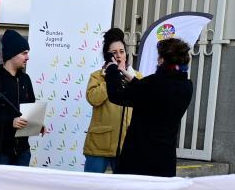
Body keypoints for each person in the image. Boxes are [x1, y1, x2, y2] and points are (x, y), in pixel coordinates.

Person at [104, 36, 194, 177]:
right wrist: (133, 80)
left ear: (162, 60)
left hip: (139, 159)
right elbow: (153, 97)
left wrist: (112, 71)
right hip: (165, 160)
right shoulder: (187, 86)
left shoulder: (154, 83)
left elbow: (117, 95)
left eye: (159, 57)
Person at [0, 29, 39, 165]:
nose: (27, 57)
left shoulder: (26, 79)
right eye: (24, 53)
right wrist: (10, 122)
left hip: (23, 152)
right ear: (12, 54)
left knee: (21, 187)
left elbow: (31, 107)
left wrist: (36, 123)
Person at [83, 30, 131, 174]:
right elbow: (93, 99)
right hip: (99, 143)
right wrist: (110, 76)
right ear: (108, 56)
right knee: (91, 189)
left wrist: (127, 77)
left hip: (126, 144)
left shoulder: (135, 77)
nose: (119, 55)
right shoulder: (97, 76)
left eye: (122, 51)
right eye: (114, 52)